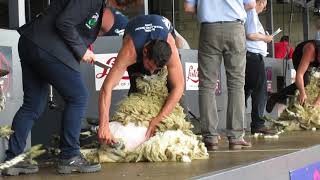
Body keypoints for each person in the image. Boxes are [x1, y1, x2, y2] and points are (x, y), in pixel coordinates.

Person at [3, 0, 139, 176]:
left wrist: (83, 48)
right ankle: (70, 156)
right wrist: (81, 51)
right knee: (78, 97)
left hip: (32, 42)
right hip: (47, 45)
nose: (122, 7)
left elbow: (73, 24)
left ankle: (13, 159)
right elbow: (64, 22)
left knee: (32, 105)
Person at [98, 15, 184, 144]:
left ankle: (181, 122)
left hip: (162, 31)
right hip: (135, 35)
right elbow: (107, 87)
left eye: (156, 68)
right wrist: (103, 124)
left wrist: (159, 118)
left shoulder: (170, 46)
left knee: (173, 93)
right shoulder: (129, 51)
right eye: (150, 66)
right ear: (144, 52)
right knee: (136, 92)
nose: (151, 72)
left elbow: (179, 87)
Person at [184, 0, 255, 150]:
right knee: (236, 84)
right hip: (235, 28)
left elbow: (188, 7)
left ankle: (210, 137)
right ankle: (235, 137)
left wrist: (208, 9)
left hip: (209, 29)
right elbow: (251, 4)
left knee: (207, 85)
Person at [244, 0, 275, 135]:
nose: (264, 8)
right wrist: (266, 38)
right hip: (252, 56)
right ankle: (257, 124)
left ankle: (237, 125)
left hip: (252, 56)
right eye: (264, 5)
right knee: (260, 90)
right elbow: (250, 35)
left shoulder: (252, 15)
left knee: (246, 89)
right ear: (260, 2)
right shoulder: (251, 12)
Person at [266, 40, 320, 113]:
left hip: (312, 58)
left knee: (310, 83)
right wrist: (302, 92)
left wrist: (317, 102)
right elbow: (299, 74)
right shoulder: (310, 49)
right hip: (299, 56)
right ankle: (275, 97)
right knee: (305, 82)